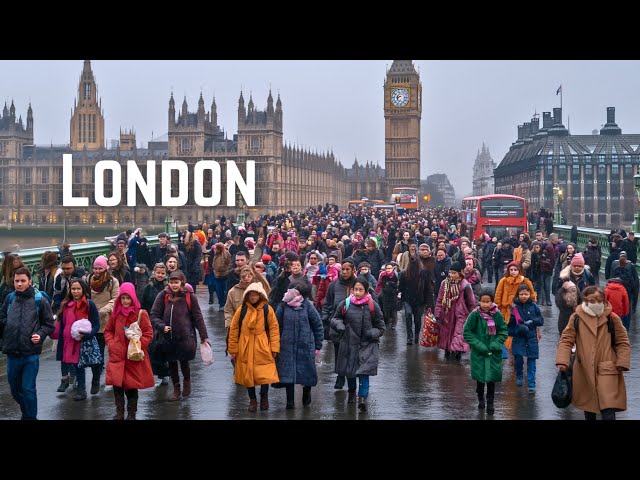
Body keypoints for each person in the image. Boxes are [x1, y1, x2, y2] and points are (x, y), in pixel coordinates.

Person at [555, 285, 631, 420]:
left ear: (603, 299)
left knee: (608, 409)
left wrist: (622, 362)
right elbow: (566, 340)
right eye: (591, 300)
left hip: (607, 368)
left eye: (597, 300)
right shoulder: (576, 317)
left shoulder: (612, 318)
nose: (594, 303)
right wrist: (562, 361)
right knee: (589, 409)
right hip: (584, 369)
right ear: (585, 300)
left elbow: (622, 341)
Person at [0, 267, 55, 419]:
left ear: (30, 281)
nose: (19, 284)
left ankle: (31, 417)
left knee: (28, 388)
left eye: (22, 281)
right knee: (15, 390)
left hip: (30, 353)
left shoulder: (39, 301)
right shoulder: (9, 298)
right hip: (12, 353)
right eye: (16, 281)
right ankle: (27, 412)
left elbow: (49, 324)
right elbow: (2, 317)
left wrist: (39, 334)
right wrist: (9, 326)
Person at [150, 271, 209, 402]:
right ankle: (176, 388)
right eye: (171, 282)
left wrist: (203, 335)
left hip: (185, 337)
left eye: (176, 282)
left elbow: (197, 316)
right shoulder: (163, 295)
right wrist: (161, 326)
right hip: (168, 338)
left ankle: (187, 380)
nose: (174, 285)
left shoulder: (189, 296)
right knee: (172, 364)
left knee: (184, 362)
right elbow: (154, 314)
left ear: (182, 282)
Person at [330, 277, 385, 412]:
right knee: (351, 373)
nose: (358, 292)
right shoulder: (346, 304)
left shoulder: (373, 306)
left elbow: (381, 327)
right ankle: (351, 393)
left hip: (367, 345)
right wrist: (340, 325)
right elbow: (335, 319)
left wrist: (371, 333)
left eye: (361, 290)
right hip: (349, 344)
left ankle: (362, 399)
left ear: (366, 291)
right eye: (356, 289)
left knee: (364, 373)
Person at [104, 282, 155, 420]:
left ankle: (131, 414)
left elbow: (148, 333)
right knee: (117, 385)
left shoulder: (140, 314)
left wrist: (138, 344)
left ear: (133, 298)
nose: (125, 301)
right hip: (117, 355)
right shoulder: (115, 314)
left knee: (131, 387)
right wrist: (111, 343)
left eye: (128, 298)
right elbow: (108, 331)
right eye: (123, 298)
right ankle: (119, 413)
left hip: (133, 356)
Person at [228, 282, 280, 412]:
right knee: (247, 375)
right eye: (251, 295)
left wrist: (274, 348)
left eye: (255, 295)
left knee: (264, 375)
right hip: (245, 346)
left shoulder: (267, 310)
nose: (253, 297)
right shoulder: (242, 310)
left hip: (262, 346)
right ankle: (252, 400)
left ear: (260, 295)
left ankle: (264, 397)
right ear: (247, 296)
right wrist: (233, 349)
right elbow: (234, 329)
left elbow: (274, 329)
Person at [275, 280, 324, 409]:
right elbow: (275, 326)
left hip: (305, 346)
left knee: (307, 373)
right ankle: (289, 401)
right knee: (288, 375)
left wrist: (318, 345)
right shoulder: (283, 306)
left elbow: (317, 325)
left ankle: (306, 392)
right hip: (286, 347)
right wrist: (275, 343)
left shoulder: (308, 306)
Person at [51, 277, 100, 400]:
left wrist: (90, 334)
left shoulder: (89, 304)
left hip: (83, 340)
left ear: (83, 290)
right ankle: (79, 387)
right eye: (73, 289)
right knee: (73, 364)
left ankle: (82, 389)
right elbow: (62, 325)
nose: (75, 291)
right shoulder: (66, 305)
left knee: (80, 365)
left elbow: (96, 323)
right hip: (68, 341)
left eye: (78, 289)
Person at [463, 289, 508, 416]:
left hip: (493, 353)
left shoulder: (497, 315)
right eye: (483, 301)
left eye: (488, 302)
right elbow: (467, 332)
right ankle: (481, 399)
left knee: (491, 379)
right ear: (479, 302)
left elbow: (503, 331)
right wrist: (479, 345)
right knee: (480, 379)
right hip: (478, 353)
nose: (485, 304)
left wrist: (495, 344)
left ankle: (491, 402)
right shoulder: (475, 315)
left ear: (492, 302)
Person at [89, 255, 120, 394]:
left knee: (114, 353)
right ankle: (95, 381)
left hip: (109, 323)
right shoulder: (88, 280)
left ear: (105, 268)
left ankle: (114, 379)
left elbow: (116, 299)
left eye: (100, 268)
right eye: (95, 268)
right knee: (97, 355)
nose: (97, 271)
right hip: (94, 324)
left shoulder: (113, 282)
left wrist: (104, 310)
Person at [434, 261, 476, 360]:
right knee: (446, 332)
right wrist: (438, 313)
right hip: (447, 312)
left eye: (454, 273)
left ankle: (458, 352)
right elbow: (440, 299)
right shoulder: (444, 283)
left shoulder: (465, 286)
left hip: (461, 314)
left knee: (458, 334)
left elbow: (471, 302)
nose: (452, 275)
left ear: (459, 273)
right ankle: (447, 350)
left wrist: (473, 316)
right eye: (450, 272)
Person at [495, 261, 536, 356]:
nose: (513, 272)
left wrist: (529, 308)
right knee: (505, 332)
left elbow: (532, 295)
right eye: (511, 270)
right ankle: (507, 353)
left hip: (521, 311)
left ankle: (518, 353)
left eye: (515, 270)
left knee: (520, 332)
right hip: (506, 311)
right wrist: (498, 308)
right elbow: (498, 296)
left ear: (519, 270)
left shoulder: (525, 281)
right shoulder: (503, 281)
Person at [507, 284, 544, 393]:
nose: (524, 296)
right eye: (521, 294)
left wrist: (533, 321)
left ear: (530, 294)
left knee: (531, 361)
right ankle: (519, 375)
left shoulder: (534, 307)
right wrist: (517, 329)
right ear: (518, 295)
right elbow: (509, 327)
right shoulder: (515, 309)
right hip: (519, 338)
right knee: (518, 359)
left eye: (526, 294)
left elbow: (541, 320)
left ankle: (531, 384)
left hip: (531, 338)